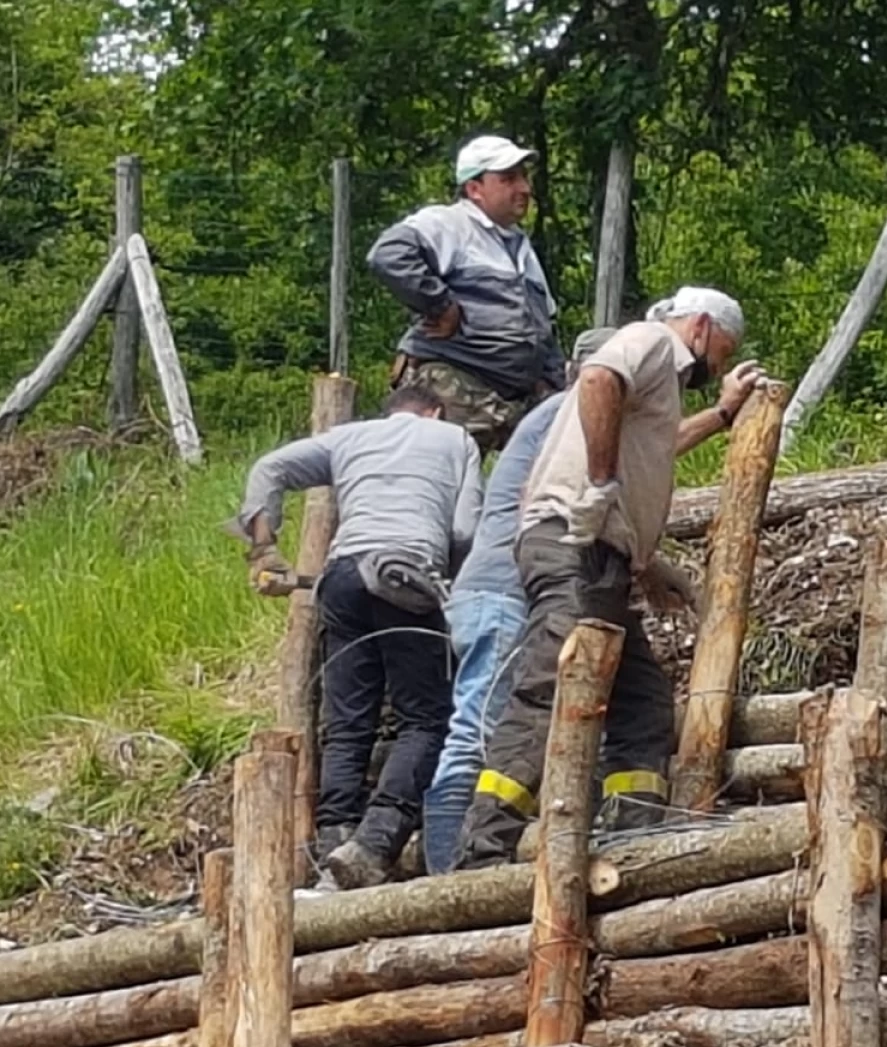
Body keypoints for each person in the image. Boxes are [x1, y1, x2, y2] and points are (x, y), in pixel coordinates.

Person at [423, 325, 765, 874]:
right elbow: (602, 379)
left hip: (593, 555)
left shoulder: (616, 409)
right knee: (544, 691)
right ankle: (479, 853)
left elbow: (651, 447)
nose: (721, 365)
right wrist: (603, 485)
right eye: (726, 348)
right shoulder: (652, 343)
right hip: (572, 554)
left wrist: (643, 562)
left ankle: (635, 833)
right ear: (702, 327)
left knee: (641, 701)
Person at [234, 383, 483, 889]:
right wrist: (450, 585)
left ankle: (333, 844)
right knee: (426, 718)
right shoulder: (456, 439)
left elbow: (269, 469)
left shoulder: (349, 438)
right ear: (434, 411)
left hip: (342, 580)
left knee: (347, 723)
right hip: (407, 576)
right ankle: (376, 841)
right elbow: (464, 530)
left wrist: (264, 550)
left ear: (388, 413)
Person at [367, 135, 565, 452]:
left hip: (510, 398)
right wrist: (442, 306)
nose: (525, 188)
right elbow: (389, 255)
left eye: (523, 177)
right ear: (474, 189)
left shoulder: (520, 246)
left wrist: (555, 388)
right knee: (444, 482)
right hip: (452, 387)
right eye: (509, 179)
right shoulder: (450, 223)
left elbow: (544, 329)